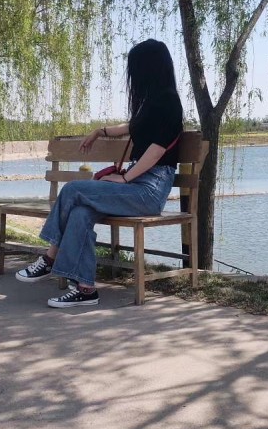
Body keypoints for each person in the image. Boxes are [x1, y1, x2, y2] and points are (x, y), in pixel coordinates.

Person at [15, 39, 183, 308]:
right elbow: (132, 127)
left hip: (149, 190)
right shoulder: (152, 103)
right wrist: (99, 131)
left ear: (148, 68)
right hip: (137, 184)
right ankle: (85, 289)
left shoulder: (169, 102)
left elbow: (155, 153)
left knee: (73, 189)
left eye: (135, 69)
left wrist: (125, 178)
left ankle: (49, 258)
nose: (132, 76)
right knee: (80, 213)